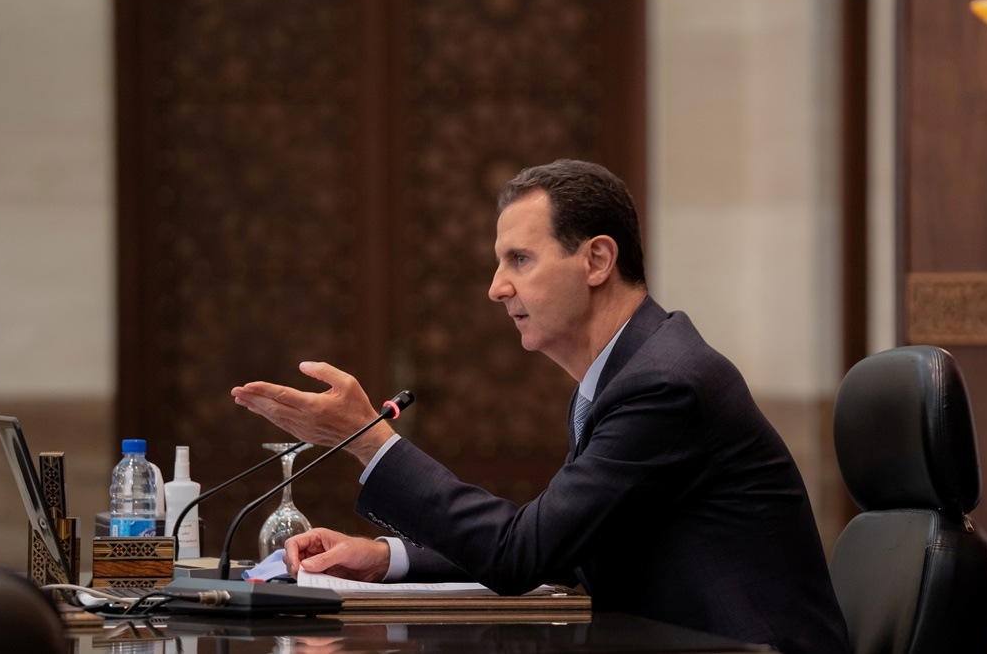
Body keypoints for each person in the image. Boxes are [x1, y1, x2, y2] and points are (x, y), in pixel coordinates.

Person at [231, 159, 850, 652]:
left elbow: (524, 553)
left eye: (519, 260)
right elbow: (563, 545)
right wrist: (386, 557)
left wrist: (369, 440)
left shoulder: (664, 385)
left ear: (597, 260)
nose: (496, 288)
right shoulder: (623, 375)